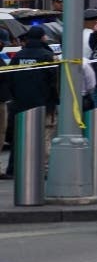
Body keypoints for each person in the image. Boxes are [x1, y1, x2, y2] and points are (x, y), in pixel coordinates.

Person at [9, 26, 59, 165]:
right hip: (43, 104)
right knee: (44, 135)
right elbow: (54, 81)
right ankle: (42, 167)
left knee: (20, 136)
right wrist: (54, 101)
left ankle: (15, 166)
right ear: (42, 38)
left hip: (20, 104)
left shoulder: (18, 56)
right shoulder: (47, 56)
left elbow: (10, 78)